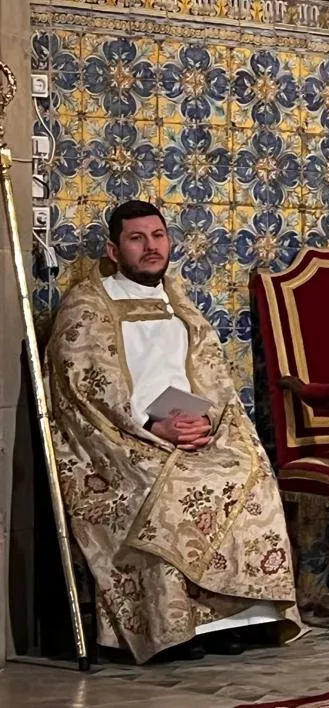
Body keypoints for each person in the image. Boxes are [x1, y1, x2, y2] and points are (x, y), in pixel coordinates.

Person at [45, 200, 304, 664]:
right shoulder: (88, 305)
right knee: (170, 488)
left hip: (191, 429)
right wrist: (151, 426)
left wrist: (207, 421)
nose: (151, 247)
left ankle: (232, 619)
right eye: (137, 238)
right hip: (124, 439)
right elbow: (84, 388)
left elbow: (212, 377)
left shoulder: (178, 300)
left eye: (158, 236)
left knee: (250, 473)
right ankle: (174, 627)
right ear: (113, 249)